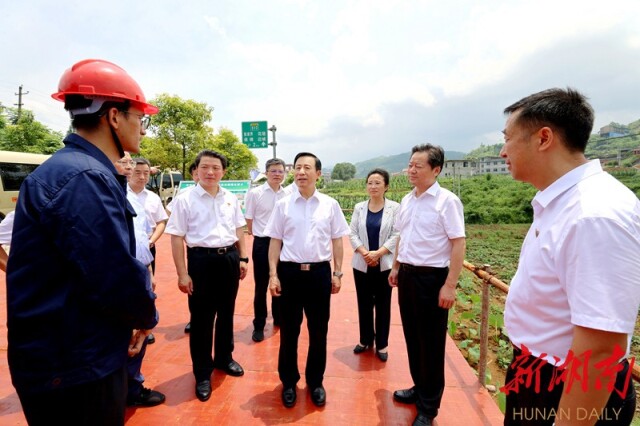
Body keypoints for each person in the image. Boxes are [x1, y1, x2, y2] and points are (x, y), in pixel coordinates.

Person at [6, 59, 158, 425]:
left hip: (66, 356)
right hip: (74, 364)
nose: (143, 127)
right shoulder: (84, 178)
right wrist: (144, 315)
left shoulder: (73, 169)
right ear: (113, 116)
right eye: (140, 116)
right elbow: (112, 274)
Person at [500, 88, 640, 425]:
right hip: (538, 373)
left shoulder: (593, 214)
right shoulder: (561, 203)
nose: (503, 151)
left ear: (543, 138)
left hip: (566, 387)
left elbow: (600, 349)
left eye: (507, 139)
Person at [264, 152, 350, 408]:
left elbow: (337, 240)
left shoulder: (330, 205)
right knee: (289, 332)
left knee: (319, 331)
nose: (301, 172)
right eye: (297, 167)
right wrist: (273, 274)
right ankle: (289, 382)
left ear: (318, 174)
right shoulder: (283, 205)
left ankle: (315, 381)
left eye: (307, 168)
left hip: (319, 275)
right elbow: (275, 241)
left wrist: (337, 272)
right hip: (289, 274)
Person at [389, 144, 466, 426]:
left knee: (431, 344)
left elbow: (458, 243)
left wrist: (450, 285)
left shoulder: (447, 201)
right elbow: (401, 237)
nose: (411, 170)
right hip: (408, 275)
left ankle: (429, 407)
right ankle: (418, 387)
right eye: (410, 165)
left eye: (417, 166)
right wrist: (396, 267)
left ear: (436, 169)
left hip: (432, 279)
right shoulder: (408, 200)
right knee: (412, 337)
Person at [165, 149, 248, 403]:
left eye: (216, 168)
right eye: (205, 168)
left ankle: (224, 358)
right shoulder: (185, 199)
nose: (210, 172)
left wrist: (243, 257)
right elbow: (177, 237)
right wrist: (182, 273)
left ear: (223, 171)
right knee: (201, 319)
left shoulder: (231, 198)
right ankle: (202, 373)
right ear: (196, 171)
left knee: (226, 313)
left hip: (229, 260)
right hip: (201, 261)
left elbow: (239, 228)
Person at [114, 153, 166, 408]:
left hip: (140, 274)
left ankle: (132, 387)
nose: (129, 168)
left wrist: (149, 273)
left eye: (130, 164)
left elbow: (143, 241)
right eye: (123, 163)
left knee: (140, 334)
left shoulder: (135, 199)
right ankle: (114, 392)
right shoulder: (93, 195)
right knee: (118, 338)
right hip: (115, 280)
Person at [349, 168, 399, 362]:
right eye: (370, 182)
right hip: (361, 264)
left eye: (378, 183)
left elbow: (397, 234)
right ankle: (365, 339)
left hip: (384, 264)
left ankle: (382, 343)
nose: (373, 186)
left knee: (383, 305)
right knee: (364, 303)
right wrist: (365, 253)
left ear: (386, 186)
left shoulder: (395, 208)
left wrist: (379, 253)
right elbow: (352, 232)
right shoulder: (359, 207)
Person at [245, 158, 291, 342]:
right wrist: (257, 234)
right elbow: (249, 219)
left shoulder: (287, 194)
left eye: (280, 171)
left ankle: (279, 318)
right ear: (266, 173)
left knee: (282, 283)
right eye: (273, 171)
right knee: (261, 286)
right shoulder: (255, 193)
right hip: (263, 243)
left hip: (284, 244)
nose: (277, 174)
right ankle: (259, 325)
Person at [128, 156, 169, 344]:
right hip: (126, 250)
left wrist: (152, 241)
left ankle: (145, 324)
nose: (142, 177)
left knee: (147, 287)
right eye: (138, 172)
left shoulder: (152, 197)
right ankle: (130, 326)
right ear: (129, 172)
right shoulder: (120, 194)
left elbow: (161, 221)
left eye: (146, 173)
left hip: (147, 249)